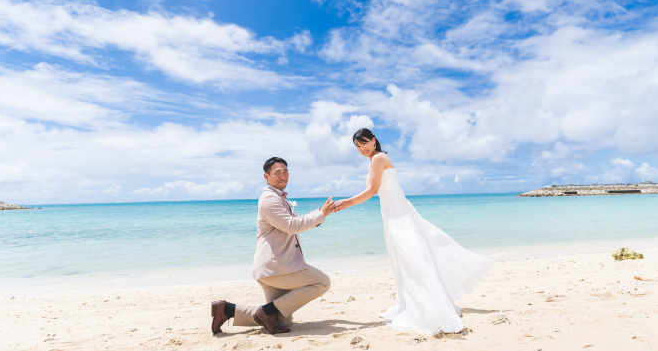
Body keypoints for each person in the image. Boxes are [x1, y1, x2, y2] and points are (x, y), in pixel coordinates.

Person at [332, 128, 493, 334]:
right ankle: (415, 303)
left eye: (364, 143)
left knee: (412, 258)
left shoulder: (378, 158)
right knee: (408, 258)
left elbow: (372, 190)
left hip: (399, 215)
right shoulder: (378, 159)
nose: (362, 148)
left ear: (373, 140)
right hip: (395, 213)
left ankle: (427, 307)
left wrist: (346, 203)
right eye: (357, 146)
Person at [211, 157, 336, 335]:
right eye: (277, 173)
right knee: (322, 282)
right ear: (266, 176)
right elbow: (292, 226)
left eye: (285, 172)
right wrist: (321, 214)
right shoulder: (268, 200)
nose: (283, 176)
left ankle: (226, 310)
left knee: (280, 320)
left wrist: (320, 212)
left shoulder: (277, 197)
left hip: (274, 268)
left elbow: (294, 221)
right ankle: (266, 311)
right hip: (277, 268)